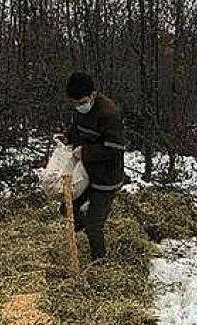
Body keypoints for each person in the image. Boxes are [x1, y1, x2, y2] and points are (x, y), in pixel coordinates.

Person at [63, 71, 126, 260]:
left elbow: (115, 149)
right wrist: (67, 138)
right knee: (67, 208)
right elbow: (77, 130)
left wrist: (85, 152)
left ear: (93, 95)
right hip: (87, 173)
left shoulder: (109, 113)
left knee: (93, 225)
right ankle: (80, 228)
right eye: (74, 104)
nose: (78, 107)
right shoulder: (79, 108)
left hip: (106, 178)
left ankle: (100, 261)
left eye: (82, 102)